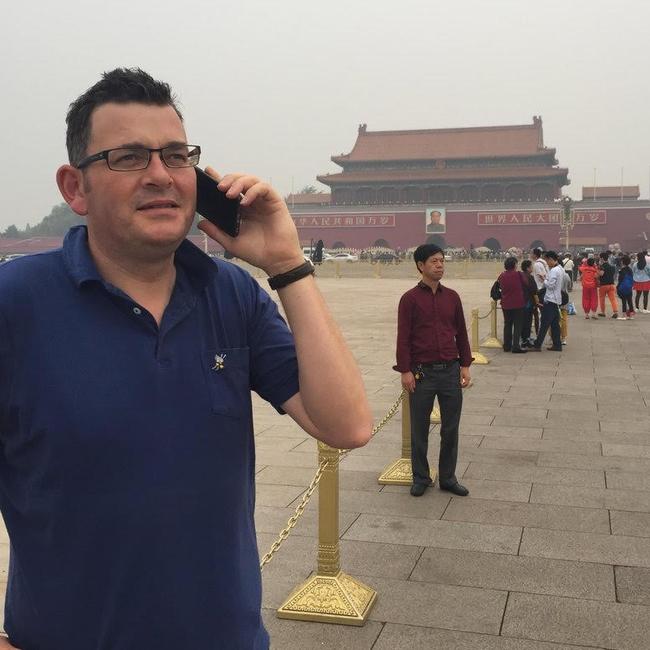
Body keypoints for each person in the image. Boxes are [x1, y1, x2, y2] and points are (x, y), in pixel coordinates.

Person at [0, 68, 373, 650]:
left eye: (176, 156)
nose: (160, 176)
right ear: (76, 188)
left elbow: (345, 424)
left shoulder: (232, 295)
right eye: (128, 157)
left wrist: (286, 264)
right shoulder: (16, 303)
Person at [395, 244, 472, 498]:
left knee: (451, 428)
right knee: (419, 429)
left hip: (450, 371)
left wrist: (465, 365)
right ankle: (421, 477)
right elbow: (403, 338)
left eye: (442, 260)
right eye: (434, 261)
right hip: (422, 374)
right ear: (420, 265)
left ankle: (448, 477)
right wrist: (405, 370)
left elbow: (461, 331)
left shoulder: (452, 297)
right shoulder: (409, 299)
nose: (440, 265)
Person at [529, 251, 563, 351]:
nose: (546, 263)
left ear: (551, 259)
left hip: (550, 300)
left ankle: (537, 345)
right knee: (554, 325)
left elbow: (550, 285)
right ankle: (557, 345)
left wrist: (544, 279)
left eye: (547, 260)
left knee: (544, 324)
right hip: (556, 300)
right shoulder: (560, 269)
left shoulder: (554, 271)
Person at [496, 257, 527, 353]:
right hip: (518, 303)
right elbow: (526, 283)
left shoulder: (501, 275)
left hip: (506, 303)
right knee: (517, 325)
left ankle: (507, 346)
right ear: (514, 265)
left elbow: (500, 286)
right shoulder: (518, 274)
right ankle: (516, 346)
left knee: (507, 324)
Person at [519, 259, 539, 347]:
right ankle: (526, 339)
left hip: (520, 302)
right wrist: (537, 302)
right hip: (528, 302)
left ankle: (522, 338)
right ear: (527, 268)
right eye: (531, 266)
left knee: (522, 321)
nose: (532, 268)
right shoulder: (530, 277)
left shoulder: (520, 276)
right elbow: (534, 291)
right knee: (528, 321)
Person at [597, 251, 619, 318]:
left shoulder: (602, 266)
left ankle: (603, 312)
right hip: (611, 284)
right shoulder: (612, 267)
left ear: (602, 258)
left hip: (603, 285)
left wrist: (597, 271)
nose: (599, 259)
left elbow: (601, 274)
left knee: (602, 299)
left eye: (600, 258)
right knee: (613, 299)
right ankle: (615, 312)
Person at [616, 254, 635, 319]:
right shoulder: (630, 270)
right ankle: (631, 315)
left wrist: (617, 287)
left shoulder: (622, 270)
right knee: (630, 301)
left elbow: (620, 280)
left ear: (622, 262)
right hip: (629, 287)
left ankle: (624, 315)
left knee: (624, 301)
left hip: (623, 288)